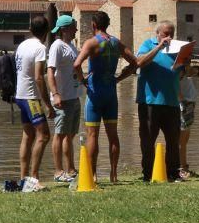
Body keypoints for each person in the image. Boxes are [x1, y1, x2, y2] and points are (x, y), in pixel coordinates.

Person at [73, 11, 139, 183]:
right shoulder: (115, 43)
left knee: (92, 135)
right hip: (111, 93)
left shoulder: (91, 43)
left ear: (94, 25)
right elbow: (135, 62)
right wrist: (119, 78)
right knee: (113, 135)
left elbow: (77, 64)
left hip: (95, 94)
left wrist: (82, 81)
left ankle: (93, 175)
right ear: (107, 24)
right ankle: (114, 174)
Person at [135, 21, 185, 183]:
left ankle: (173, 173)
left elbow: (181, 74)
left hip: (171, 102)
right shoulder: (148, 44)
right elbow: (140, 62)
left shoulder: (177, 49)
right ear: (158, 34)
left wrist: (185, 61)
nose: (168, 37)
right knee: (148, 139)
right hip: (150, 101)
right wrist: (158, 48)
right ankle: (148, 174)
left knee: (173, 140)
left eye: (171, 34)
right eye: (165, 34)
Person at [14, 15, 54, 193]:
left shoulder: (22, 45)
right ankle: (33, 178)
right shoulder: (40, 48)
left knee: (28, 136)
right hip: (31, 97)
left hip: (20, 95)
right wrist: (48, 103)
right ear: (46, 32)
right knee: (44, 135)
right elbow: (39, 77)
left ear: (31, 30)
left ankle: (23, 179)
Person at [47, 15, 81, 183]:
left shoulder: (71, 46)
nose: (76, 29)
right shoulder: (57, 46)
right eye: (74, 27)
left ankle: (71, 169)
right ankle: (58, 171)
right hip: (63, 97)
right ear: (65, 29)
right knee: (60, 134)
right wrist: (55, 94)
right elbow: (50, 71)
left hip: (74, 96)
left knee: (70, 134)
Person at [177, 59, 198, 179]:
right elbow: (176, 85)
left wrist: (186, 65)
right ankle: (181, 168)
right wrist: (182, 100)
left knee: (184, 141)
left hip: (189, 106)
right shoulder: (177, 73)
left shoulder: (184, 73)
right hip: (183, 106)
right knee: (181, 141)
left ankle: (184, 166)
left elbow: (194, 71)